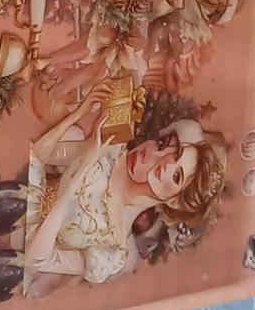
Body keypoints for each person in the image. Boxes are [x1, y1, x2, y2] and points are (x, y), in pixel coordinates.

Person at [25, 94, 227, 287]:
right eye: (163, 145)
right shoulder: (109, 150)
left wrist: (83, 169)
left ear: (175, 201)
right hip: (17, 191)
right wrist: (78, 114)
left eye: (176, 175)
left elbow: (35, 259)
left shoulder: (113, 249)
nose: (153, 155)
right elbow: (41, 153)